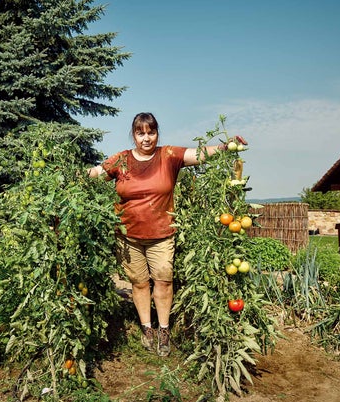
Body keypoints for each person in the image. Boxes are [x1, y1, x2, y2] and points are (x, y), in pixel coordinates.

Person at [88, 112, 247, 356]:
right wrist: (75, 174)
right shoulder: (121, 159)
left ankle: (164, 329)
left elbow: (199, 154)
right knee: (139, 284)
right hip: (127, 236)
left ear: (157, 134)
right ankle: (146, 328)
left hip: (162, 234)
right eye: (141, 133)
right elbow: (98, 173)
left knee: (163, 282)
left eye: (151, 132)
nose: (146, 138)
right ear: (134, 136)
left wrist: (226, 146)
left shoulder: (168, 155)